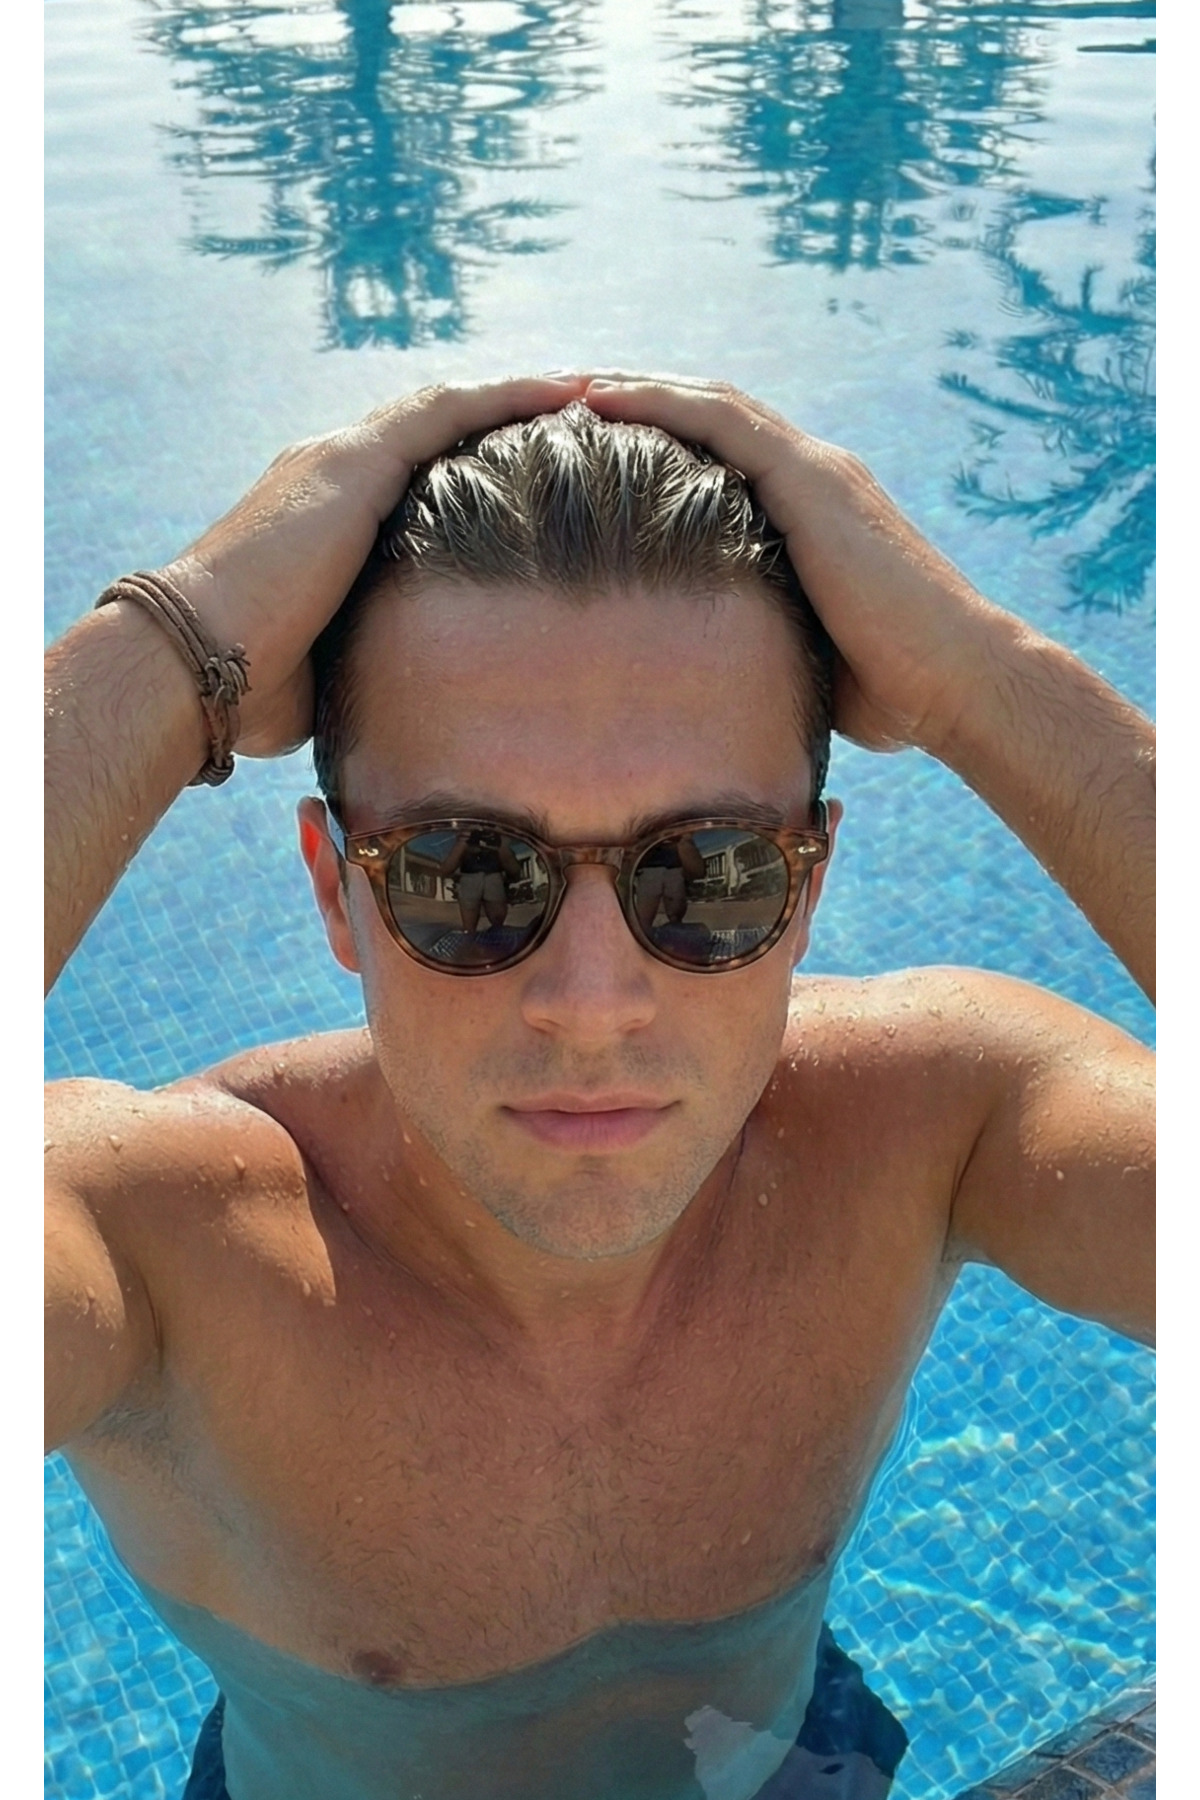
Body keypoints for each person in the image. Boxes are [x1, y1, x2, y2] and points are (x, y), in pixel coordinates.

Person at [44, 375, 1154, 1800]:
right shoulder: (156, 1247)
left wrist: (980, 675)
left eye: (710, 873)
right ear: (335, 892)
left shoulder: (941, 1124)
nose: (590, 1003)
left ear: (809, 891)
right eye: (465, 875)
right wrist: (173, 637)